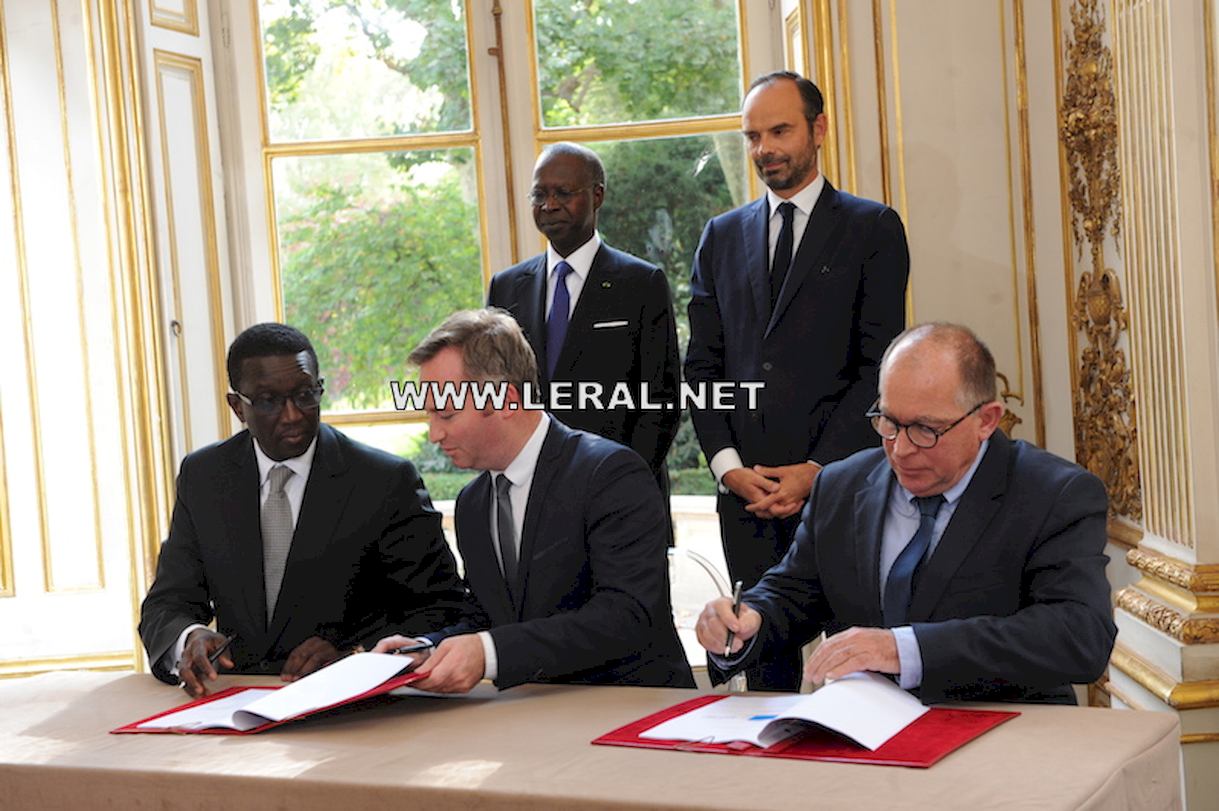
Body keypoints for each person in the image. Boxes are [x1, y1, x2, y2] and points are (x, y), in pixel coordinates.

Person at [695, 323, 1116, 704]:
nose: (901, 449)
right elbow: (794, 593)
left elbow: (1079, 636)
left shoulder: (1054, 494)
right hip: (860, 740)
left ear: (987, 420)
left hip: (1005, 746)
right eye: (889, 422)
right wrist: (747, 620)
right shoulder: (841, 485)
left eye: (926, 430)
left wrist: (906, 649)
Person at [684, 71, 910, 689]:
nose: (765, 149)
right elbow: (701, 367)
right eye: (753, 136)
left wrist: (818, 470)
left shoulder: (873, 229)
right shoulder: (719, 237)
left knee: (856, 675)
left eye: (779, 130)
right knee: (762, 675)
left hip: (846, 495)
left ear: (818, 129)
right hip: (747, 498)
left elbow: (879, 369)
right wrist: (728, 466)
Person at [373, 309, 693, 691]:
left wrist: (488, 653)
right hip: (532, 718)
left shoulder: (610, 474)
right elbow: (486, 616)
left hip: (632, 712)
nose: (434, 434)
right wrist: (429, 650)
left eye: (446, 414)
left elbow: (624, 617)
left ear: (506, 400)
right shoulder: (472, 503)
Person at [139, 323, 466, 696]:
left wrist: (355, 653)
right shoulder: (204, 477)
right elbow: (167, 603)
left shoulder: (384, 481)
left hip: (355, 709)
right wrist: (189, 638)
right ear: (237, 407)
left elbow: (441, 608)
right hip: (236, 706)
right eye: (268, 400)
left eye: (305, 395)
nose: (293, 415)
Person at [488, 143, 680, 528]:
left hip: (622, 497)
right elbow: (496, 393)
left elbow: (661, 400)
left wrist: (620, 481)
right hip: (532, 500)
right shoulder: (506, 288)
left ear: (597, 196)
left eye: (563, 192)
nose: (549, 204)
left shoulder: (641, 283)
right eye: (539, 194)